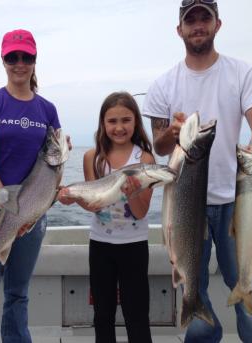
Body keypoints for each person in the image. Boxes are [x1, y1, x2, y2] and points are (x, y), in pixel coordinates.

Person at [142, 1, 252, 342]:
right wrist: (169, 135)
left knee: (248, 286)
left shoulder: (243, 73)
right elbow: (158, 145)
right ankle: (204, 330)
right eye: (191, 20)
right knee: (192, 284)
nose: (198, 25)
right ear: (179, 29)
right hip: (188, 206)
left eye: (205, 18)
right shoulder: (162, 85)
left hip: (236, 201)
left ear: (218, 24)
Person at [0, 29, 62, 343]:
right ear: (3, 60)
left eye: (26, 57)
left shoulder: (48, 110)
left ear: (35, 60)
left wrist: (25, 215)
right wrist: (10, 207)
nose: (20, 63)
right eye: (12, 57)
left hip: (30, 219)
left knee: (18, 294)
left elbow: (53, 168)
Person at [59, 92, 153, 343]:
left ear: (136, 123)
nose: (119, 127)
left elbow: (142, 212)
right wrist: (74, 197)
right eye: (112, 121)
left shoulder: (144, 160)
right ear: (102, 124)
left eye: (126, 120)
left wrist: (133, 192)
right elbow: (94, 204)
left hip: (134, 246)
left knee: (137, 314)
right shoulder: (92, 157)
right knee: (102, 313)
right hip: (100, 245)